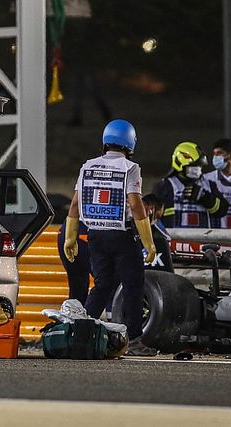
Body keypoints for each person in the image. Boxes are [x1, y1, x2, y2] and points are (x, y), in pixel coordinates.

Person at [63, 119, 158, 356]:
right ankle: (135, 340)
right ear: (130, 142)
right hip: (123, 236)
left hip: (95, 235)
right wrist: (149, 242)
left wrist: (70, 238)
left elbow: (75, 203)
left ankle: (80, 333)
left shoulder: (87, 166)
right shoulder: (130, 168)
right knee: (133, 287)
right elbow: (136, 205)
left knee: (103, 284)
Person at [154, 141, 226, 228]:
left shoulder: (209, 185)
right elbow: (153, 218)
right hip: (174, 240)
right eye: (194, 165)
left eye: (200, 165)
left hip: (202, 240)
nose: (198, 169)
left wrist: (205, 197)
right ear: (180, 164)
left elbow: (223, 210)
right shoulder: (165, 187)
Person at [56, 214, 91, 304]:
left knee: (78, 285)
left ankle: (77, 314)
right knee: (107, 282)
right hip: (89, 228)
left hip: (71, 228)